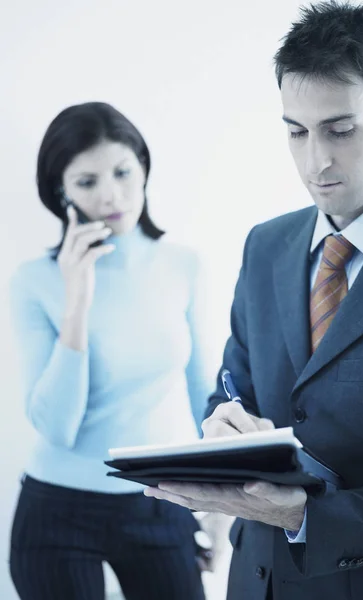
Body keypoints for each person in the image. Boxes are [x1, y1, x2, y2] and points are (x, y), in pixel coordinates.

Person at [142, 2, 363, 599]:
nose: (317, 160)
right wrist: (222, 427)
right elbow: (234, 387)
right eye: (296, 131)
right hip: (255, 582)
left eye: (340, 130)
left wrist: (301, 515)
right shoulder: (267, 245)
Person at [9, 101, 214, 600]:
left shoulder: (183, 265)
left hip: (159, 500)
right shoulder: (34, 281)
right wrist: (76, 299)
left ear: (143, 165)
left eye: (123, 172)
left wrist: (219, 506)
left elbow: (203, 395)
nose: (112, 195)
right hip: (57, 511)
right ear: (61, 192)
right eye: (87, 182)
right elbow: (58, 426)